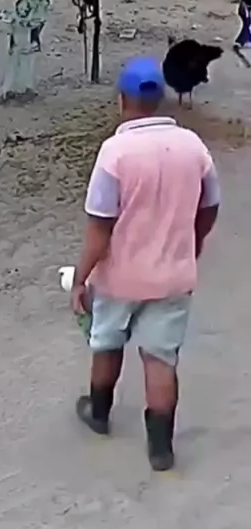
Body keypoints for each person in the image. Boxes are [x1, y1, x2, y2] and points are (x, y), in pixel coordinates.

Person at [72, 54, 220, 471]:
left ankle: (99, 412)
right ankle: (160, 448)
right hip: (173, 275)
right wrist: (194, 242)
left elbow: (100, 226)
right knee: (161, 359)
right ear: (162, 100)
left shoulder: (114, 153)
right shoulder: (193, 146)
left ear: (122, 100)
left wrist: (81, 278)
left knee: (106, 342)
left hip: (119, 276)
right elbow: (210, 205)